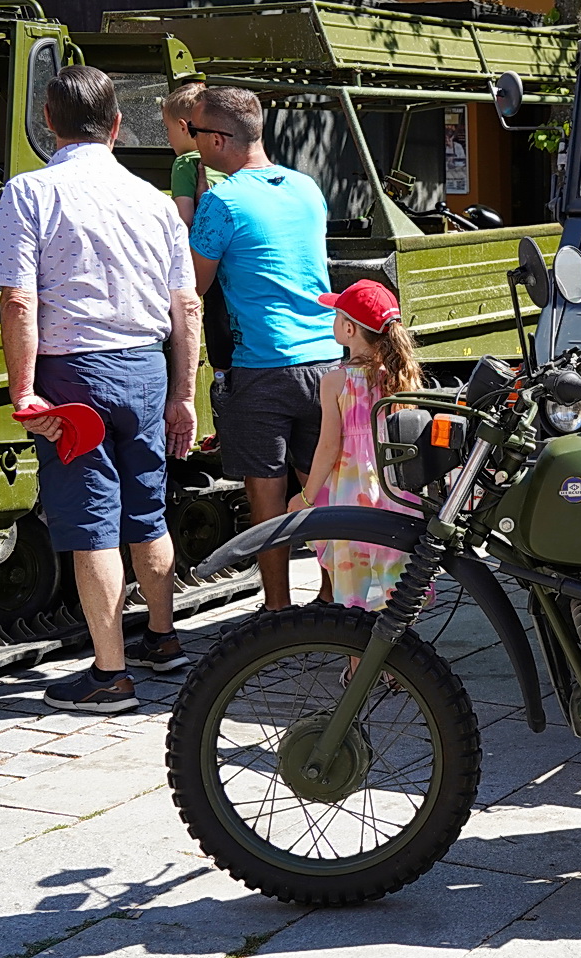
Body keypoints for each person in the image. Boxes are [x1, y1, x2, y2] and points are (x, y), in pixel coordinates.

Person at [0, 65, 200, 712]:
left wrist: (24, 390)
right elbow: (186, 306)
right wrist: (183, 394)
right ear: (117, 125)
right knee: (148, 511)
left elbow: (18, 300)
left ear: (47, 122)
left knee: (93, 526)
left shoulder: (30, 192)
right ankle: (164, 640)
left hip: (75, 375)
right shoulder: (157, 201)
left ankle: (110, 675)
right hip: (146, 368)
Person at [187, 85, 341, 610]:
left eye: (195, 132)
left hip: (262, 366)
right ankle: (331, 599)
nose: (190, 142)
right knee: (322, 490)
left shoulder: (221, 202)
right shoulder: (307, 187)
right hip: (325, 360)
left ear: (220, 139)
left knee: (267, 495)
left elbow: (196, 284)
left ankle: (277, 610)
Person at [286, 279, 420, 623]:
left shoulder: (336, 381)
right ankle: (398, 669)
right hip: (395, 494)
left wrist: (305, 495)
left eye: (336, 315)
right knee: (396, 586)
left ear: (348, 328)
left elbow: (329, 446)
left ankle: (358, 667)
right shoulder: (401, 377)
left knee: (353, 587)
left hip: (351, 495)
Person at [160, 82, 234, 378]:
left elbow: (184, 219)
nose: (168, 139)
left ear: (182, 126)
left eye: (167, 131)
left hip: (208, 260)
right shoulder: (226, 160)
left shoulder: (184, 163)